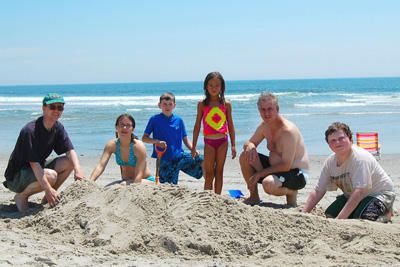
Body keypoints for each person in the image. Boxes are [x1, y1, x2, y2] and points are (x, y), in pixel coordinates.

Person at [3, 93, 87, 212]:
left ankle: (48, 198)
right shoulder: (30, 131)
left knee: (69, 163)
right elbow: (33, 163)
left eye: (60, 107)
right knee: (51, 176)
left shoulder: (58, 127)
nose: (56, 111)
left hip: (36, 169)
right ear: (44, 108)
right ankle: (22, 196)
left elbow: (69, 151)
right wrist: (47, 189)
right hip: (16, 177)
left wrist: (78, 171)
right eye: (52, 107)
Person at [302, 122, 395, 222]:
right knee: (329, 214)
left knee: (362, 219)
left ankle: (386, 215)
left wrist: (339, 220)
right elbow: (318, 190)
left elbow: (360, 191)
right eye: (333, 140)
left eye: (341, 138)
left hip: (379, 193)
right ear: (329, 145)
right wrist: (303, 214)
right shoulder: (330, 162)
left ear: (350, 139)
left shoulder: (360, 158)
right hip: (353, 194)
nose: (337, 142)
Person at [239, 91, 309, 206]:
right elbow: (249, 142)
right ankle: (254, 197)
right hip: (276, 170)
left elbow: (286, 165)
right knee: (244, 156)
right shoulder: (264, 126)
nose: (266, 113)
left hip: (296, 174)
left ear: (277, 109)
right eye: (263, 109)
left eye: (270, 109)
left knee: (268, 184)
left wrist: (258, 174)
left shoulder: (287, 131)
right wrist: (250, 145)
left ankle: (291, 192)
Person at [142, 92, 204, 185]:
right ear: (160, 105)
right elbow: (144, 138)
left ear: (174, 106)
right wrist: (157, 141)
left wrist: (193, 149)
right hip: (163, 159)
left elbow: (185, 139)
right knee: (168, 186)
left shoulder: (179, 120)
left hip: (180, 156)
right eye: (164, 104)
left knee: (203, 159)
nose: (167, 107)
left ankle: (209, 185)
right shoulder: (155, 119)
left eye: (170, 104)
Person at [191, 72, 236, 194]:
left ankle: (218, 198)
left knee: (219, 172)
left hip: (223, 142)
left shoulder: (226, 104)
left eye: (217, 85)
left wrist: (233, 145)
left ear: (222, 87)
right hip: (209, 142)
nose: (214, 88)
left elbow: (230, 125)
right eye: (211, 85)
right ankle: (207, 198)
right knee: (209, 173)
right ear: (206, 86)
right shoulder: (202, 104)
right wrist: (193, 146)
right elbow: (197, 126)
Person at [90, 114, 156, 185]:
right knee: (108, 186)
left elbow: (138, 176)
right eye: (121, 125)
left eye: (128, 125)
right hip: (126, 180)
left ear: (133, 129)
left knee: (122, 185)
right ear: (116, 127)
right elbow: (101, 166)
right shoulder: (112, 145)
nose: (124, 128)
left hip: (144, 180)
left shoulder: (138, 146)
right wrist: (90, 182)